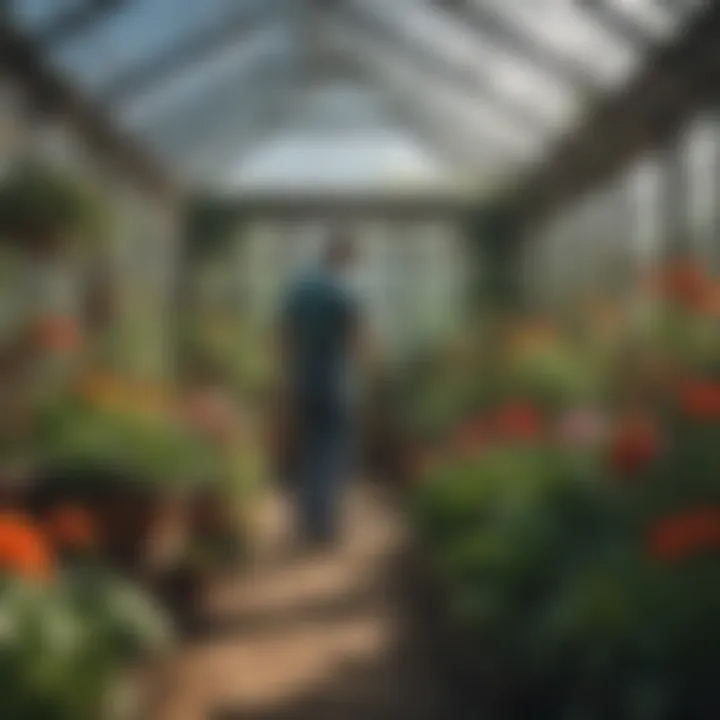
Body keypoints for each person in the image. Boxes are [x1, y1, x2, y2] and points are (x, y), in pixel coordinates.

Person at [277, 229, 363, 548]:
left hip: (304, 373)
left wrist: (284, 377)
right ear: (342, 256)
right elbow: (355, 336)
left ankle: (307, 519)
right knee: (333, 448)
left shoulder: (301, 287)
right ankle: (326, 522)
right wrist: (374, 374)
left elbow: (285, 333)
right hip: (334, 376)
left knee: (309, 447)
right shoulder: (341, 291)